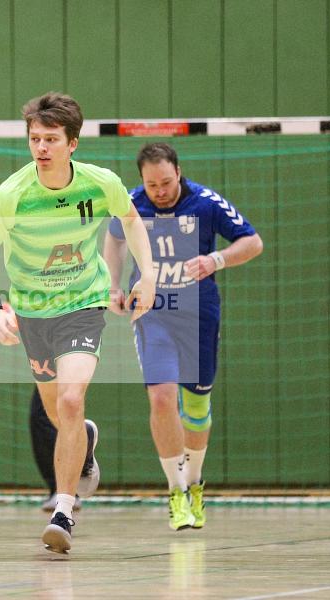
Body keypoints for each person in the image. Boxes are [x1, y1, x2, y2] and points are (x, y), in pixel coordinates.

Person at [0, 92, 156, 553]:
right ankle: (86, 445)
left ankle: (64, 509)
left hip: (83, 304)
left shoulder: (101, 183)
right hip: (33, 312)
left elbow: (132, 222)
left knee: (72, 400)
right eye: (35, 138)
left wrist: (147, 275)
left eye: (51, 138)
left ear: (72, 142)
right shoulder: (12, 194)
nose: (41, 147)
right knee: (58, 413)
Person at [103, 142, 263, 531]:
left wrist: (216, 259)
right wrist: (112, 285)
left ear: (179, 172)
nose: (159, 191)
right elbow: (115, 240)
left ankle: (194, 483)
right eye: (151, 184)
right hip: (152, 312)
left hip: (199, 315)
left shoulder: (206, 203)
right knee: (161, 397)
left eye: (166, 182)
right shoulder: (132, 204)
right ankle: (175, 491)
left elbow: (252, 242)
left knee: (196, 405)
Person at [0, 312, 81, 512]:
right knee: (46, 416)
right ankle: (64, 489)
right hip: (49, 345)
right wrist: (1, 314)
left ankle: (67, 491)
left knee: (51, 414)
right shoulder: (27, 288)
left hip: (72, 340)